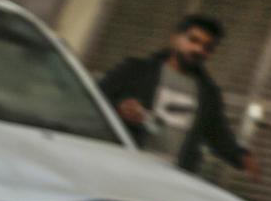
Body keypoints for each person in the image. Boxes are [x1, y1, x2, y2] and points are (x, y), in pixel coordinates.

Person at [97, 13, 261, 179]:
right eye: (193, 40)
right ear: (175, 38)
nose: (199, 50)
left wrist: (242, 157)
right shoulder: (135, 70)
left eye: (207, 48)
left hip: (174, 179)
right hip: (124, 167)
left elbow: (218, 135)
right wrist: (119, 109)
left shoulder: (208, 93)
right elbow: (93, 102)